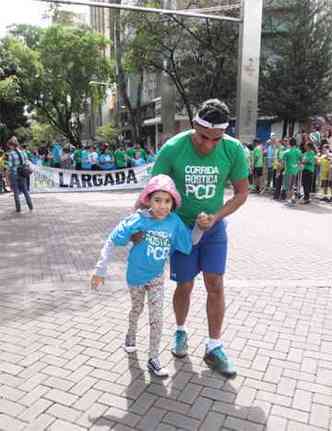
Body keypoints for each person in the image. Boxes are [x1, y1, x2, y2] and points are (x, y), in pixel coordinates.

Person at [150, 99, 249, 378]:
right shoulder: (173, 148)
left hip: (214, 229)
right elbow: (154, 190)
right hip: (181, 228)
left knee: (215, 284)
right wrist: (143, 223)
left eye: (215, 140)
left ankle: (214, 347)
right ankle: (180, 331)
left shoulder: (232, 149)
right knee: (185, 284)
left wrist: (216, 217)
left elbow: (242, 193)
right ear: (194, 125)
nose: (208, 145)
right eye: (203, 137)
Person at [90, 175, 192, 377]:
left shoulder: (174, 221)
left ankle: (153, 358)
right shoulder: (137, 219)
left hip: (156, 278)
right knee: (136, 309)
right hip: (136, 276)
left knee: (157, 318)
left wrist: (201, 227)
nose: (162, 206)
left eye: (167, 201)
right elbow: (112, 240)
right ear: (148, 200)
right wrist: (100, 270)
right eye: (157, 200)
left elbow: (188, 243)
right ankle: (130, 335)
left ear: (173, 203)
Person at [7, 136, 33, 212]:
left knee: (16, 192)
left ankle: (18, 209)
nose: (9, 148)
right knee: (25, 190)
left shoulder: (11, 154)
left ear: (11, 145)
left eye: (9, 146)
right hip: (22, 174)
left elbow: (10, 166)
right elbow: (27, 163)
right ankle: (30, 206)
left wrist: (7, 175)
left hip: (14, 174)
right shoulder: (23, 152)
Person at [281, 137, 302, 205]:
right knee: (292, 186)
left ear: (289, 143)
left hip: (288, 171)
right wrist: (297, 167)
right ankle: (292, 198)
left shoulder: (286, 152)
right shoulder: (298, 151)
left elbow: (282, 161)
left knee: (287, 186)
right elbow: (301, 161)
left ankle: (289, 199)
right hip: (295, 171)